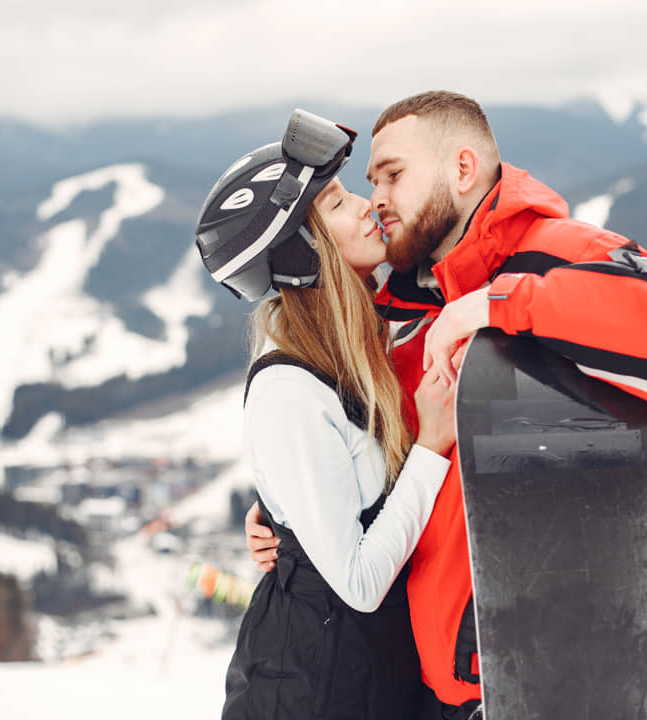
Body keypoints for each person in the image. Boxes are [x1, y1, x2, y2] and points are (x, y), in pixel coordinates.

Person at [249, 91, 647, 718]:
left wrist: (501, 305)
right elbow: (363, 445)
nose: (376, 198)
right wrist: (288, 510)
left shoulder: (561, 256)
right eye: (370, 181)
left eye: (394, 175)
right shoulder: (401, 310)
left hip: (564, 680)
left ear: (462, 170)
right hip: (432, 692)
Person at [196, 109, 458, 720]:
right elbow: (360, 583)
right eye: (339, 204)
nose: (368, 205)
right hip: (312, 687)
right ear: (303, 252)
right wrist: (431, 449)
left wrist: (287, 528)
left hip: (374, 671)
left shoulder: (366, 339)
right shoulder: (291, 389)